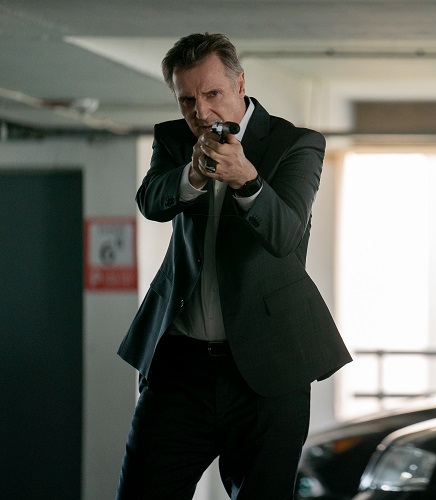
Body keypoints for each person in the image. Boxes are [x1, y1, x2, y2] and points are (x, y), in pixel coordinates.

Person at [116, 32, 352, 499]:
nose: (201, 112)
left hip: (268, 368)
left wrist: (247, 180)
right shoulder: (172, 138)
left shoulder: (296, 143)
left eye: (212, 94)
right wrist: (190, 175)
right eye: (187, 100)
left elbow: (285, 235)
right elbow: (151, 202)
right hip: (180, 367)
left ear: (240, 84)